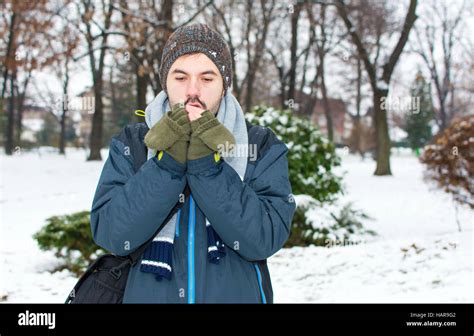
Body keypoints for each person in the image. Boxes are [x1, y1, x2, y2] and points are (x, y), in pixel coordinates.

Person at [90, 23, 295, 303]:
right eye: (181, 77)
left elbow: (264, 239)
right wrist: (167, 164)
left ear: (224, 85)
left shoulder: (259, 145)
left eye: (207, 78)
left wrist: (207, 167)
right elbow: (112, 234)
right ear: (166, 82)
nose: (193, 91)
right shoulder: (134, 143)